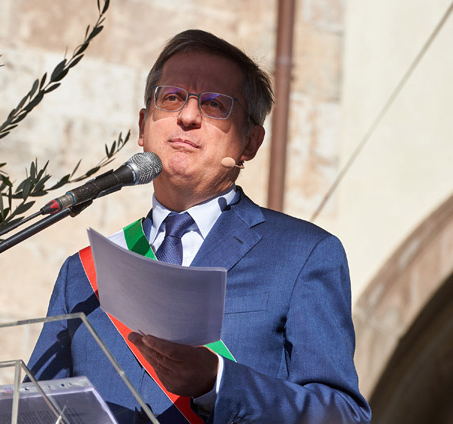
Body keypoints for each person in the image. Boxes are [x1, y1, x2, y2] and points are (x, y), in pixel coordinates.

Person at [28, 29, 372, 423]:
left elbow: (342, 415)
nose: (187, 116)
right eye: (171, 98)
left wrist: (218, 381)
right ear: (143, 126)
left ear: (250, 143)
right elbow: (37, 407)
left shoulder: (303, 256)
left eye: (213, 105)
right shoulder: (83, 274)